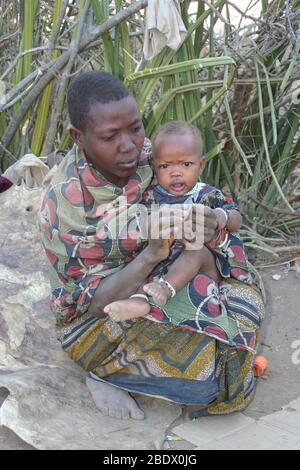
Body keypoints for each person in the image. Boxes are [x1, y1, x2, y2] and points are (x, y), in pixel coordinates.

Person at [39, 70, 265, 421]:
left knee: (245, 294)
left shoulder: (150, 157)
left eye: (135, 127)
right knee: (211, 383)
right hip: (100, 318)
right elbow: (96, 305)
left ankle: (184, 320)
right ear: (78, 137)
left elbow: (213, 202)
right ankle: (105, 373)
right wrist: (150, 255)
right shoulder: (64, 209)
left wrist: (209, 222)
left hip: (166, 278)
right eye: (110, 136)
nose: (130, 145)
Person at [104, 121, 249, 323]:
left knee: (195, 249)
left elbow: (236, 218)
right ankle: (139, 300)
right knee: (138, 255)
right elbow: (139, 226)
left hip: (203, 267)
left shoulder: (207, 195)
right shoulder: (150, 197)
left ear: (201, 165)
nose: (176, 172)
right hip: (162, 262)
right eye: (165, 166)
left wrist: (219, 217)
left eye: (186, 164)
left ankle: (167, 288)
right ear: (154, 167)